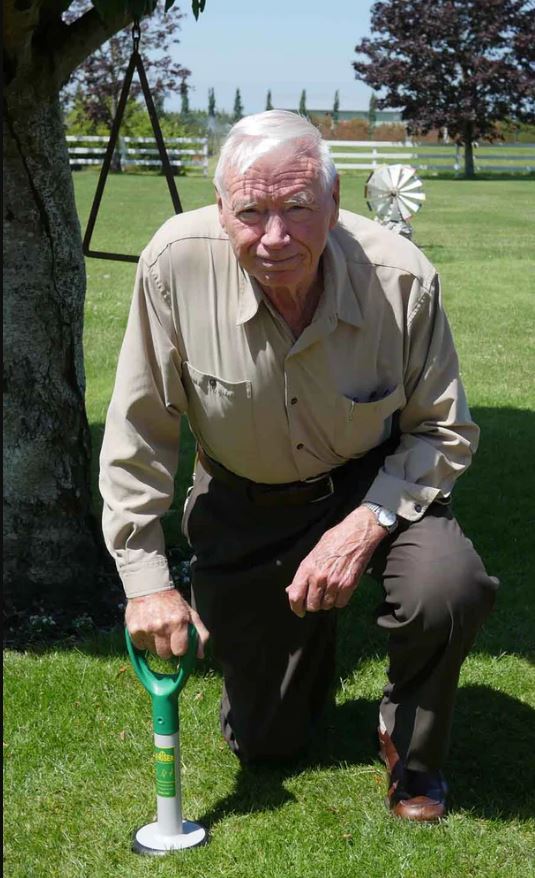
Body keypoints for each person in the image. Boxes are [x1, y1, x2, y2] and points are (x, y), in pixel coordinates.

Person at [99, 110, 498, 823]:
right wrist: (145, 582)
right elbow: (140, 427)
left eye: (297, 208)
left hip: (375, 484)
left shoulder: (402, 279)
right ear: (221, 211)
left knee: (447, 584)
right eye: (250, 211)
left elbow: (442, 431)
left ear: (335, 203)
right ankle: (288, 662)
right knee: (266, 742)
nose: (275, 237)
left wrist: (363, 526)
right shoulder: (173, 264)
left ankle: (410, 750)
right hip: (244, 497)